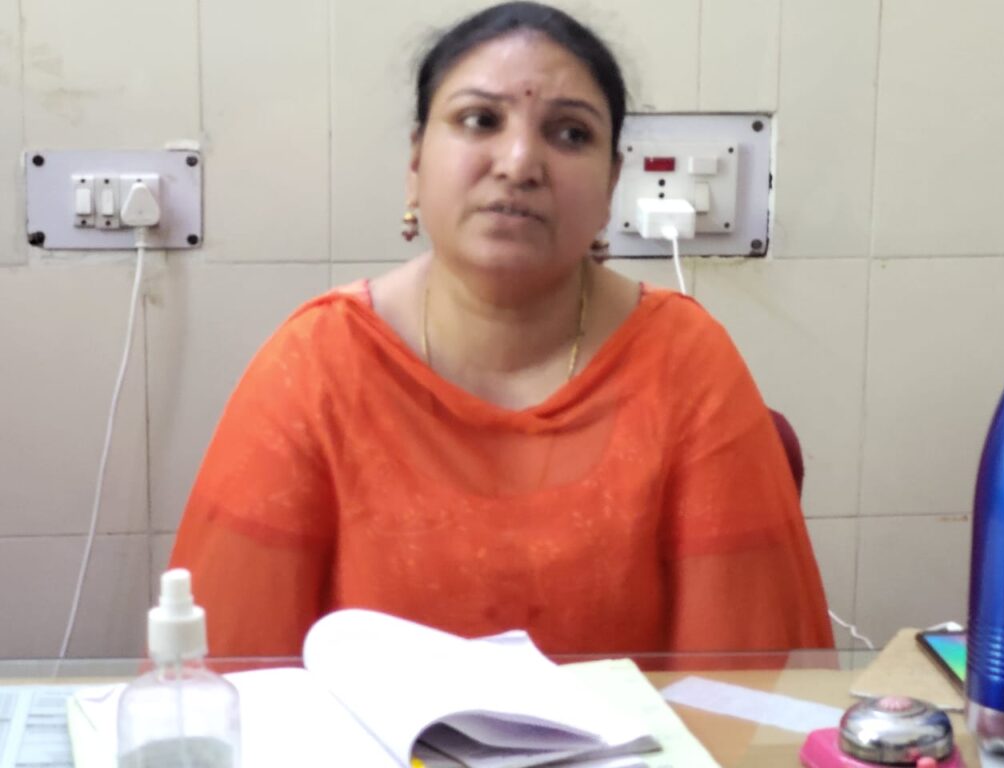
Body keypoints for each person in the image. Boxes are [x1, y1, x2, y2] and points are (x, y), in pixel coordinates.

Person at [170, 1, 833, 657]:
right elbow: (227, 679)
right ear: (415, 162)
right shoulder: (316, 365)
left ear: (611, 185)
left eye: (570, 134)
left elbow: (746, 688)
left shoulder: (685, 362)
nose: (519, 163)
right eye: (480, 120)